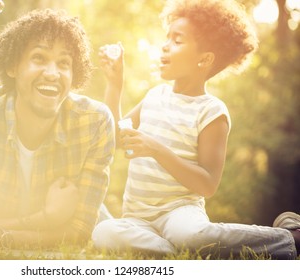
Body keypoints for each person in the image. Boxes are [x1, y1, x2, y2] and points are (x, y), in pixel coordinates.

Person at [92, 0, 300, 259]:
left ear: (204, 59)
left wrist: (156, 149)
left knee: (191, 236)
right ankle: (176, 250)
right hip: (138, 219)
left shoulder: (212, 112)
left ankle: (288, 237)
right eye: (167, 38)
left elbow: (208, 184)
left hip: (181, 214)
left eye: (177, 41)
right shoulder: (155, 96)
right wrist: (114, 85)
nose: (165, 45)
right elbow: (116, 138)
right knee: (104, 232)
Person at [0, 8, 115, 249]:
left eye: (63, 63)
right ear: (13, 67)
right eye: (39, 58)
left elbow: (78, 232)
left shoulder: (95, 122)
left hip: (100, 221)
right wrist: (49, 218)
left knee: (112, 232)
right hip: (48, 218)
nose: (52, 73)